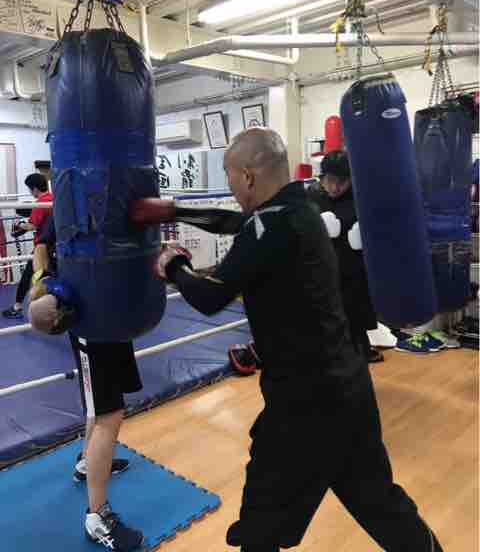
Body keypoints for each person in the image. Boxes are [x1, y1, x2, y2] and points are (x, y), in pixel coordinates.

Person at [155, 128, 443, 552]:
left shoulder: (268, 224)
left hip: (304, 403)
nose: (231, 186)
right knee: (380, 502)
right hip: (348, 386)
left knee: (262, 519)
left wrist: (173, 265)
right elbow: (234, 222)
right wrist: (175, 210)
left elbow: (211, 296)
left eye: (230, 175)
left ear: (248, 176)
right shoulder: (303, 207)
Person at [28, 216, 144, 552]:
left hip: (115, 323)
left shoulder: (113, 204)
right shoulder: (71, 202)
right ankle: (97, 517)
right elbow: (40, 247)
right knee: (108, 413)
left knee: (109, 409)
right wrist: (43, 281)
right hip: (90, 328)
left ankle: (87, 462)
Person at [307, 150, 384, 363]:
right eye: (329, 181)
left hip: (352, 266)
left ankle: (359, 347)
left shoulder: (360, 197)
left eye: (341, 182)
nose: (334, 187)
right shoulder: (312, 196)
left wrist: (366, 234)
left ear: (350, 179)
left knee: (354, 309)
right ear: (322, 178)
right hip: (322, 266)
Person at [2, 173, 52, 319]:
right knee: (49, 275)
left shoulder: (40, 204)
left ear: (35, 189)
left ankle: (17, 307)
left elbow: (32, 226)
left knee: (27, 276)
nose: (30, 192)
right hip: (54, 245)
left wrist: (20, 224)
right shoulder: (53, 198)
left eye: (30, 189)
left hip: (41, 248)